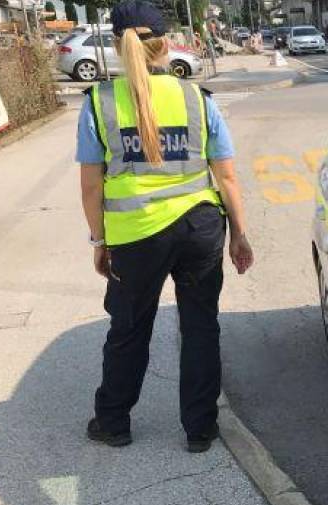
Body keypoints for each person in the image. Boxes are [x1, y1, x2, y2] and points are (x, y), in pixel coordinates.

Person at [76, 0, 253, 453]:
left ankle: (113, 422)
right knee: (200, 325)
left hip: (135, 236)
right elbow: (227, 177)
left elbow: (91, 188)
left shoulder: (99, 103)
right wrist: (239, 234)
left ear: (117, 46)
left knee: (129, 327)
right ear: (166, 44)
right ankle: (200, 429)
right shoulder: (196, 98)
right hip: (199, 228)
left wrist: (100, 240)